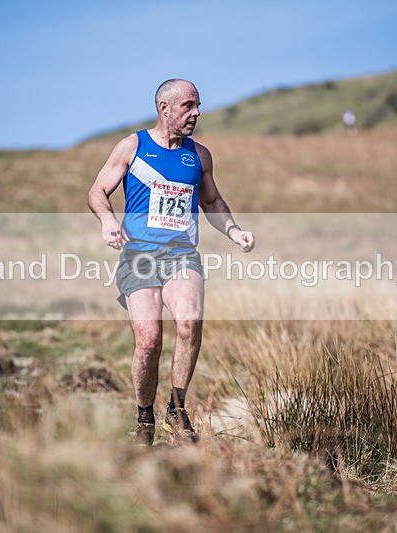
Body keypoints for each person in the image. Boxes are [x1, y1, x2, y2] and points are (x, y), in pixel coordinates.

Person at [88, 79, 255, 446]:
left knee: (190, 322)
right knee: (149, 342)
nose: (196, 113)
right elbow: (98, 191)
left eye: (198, 106)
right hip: (139, 257)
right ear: (165, 108)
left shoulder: (199, 155)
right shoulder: (133, 146)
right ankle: (144, 418)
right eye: (189, 106)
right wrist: (108, 221)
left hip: (182, 255)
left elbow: (212, 203)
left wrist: (235, 231)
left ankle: (176, 411)